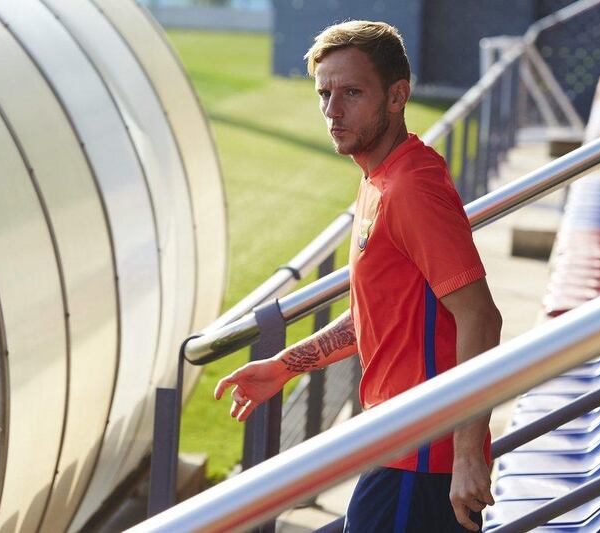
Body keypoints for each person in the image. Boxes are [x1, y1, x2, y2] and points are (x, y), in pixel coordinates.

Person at [214, 20, 503, 533]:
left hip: (422, 455)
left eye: (351, 92)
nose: (332, 110)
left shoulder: (412, 186)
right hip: (395, 444)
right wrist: (284, 365)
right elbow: (378, 315)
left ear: (397, 96)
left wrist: (465, 455)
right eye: (324, 93)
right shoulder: (378, 179)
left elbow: (480, 316)